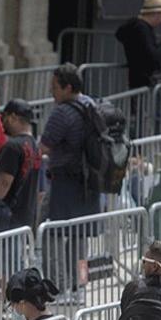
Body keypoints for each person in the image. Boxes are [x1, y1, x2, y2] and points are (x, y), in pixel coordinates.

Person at [40, 64, 100, 303]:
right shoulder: (91, 105)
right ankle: (78, 287)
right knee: (79, 235)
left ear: (67, 87)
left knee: (51, 234)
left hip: (65, 181)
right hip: (89, 181)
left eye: (55, 88)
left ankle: (57, 288)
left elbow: (44, 145)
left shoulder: (62, 113)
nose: (52, 93)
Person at [0, 99, 42, 231]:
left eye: (4, 117)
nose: (2, 123)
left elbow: (4, 182)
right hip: (25, 218)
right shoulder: (35, 147)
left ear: (13, 117)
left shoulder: (12, 147)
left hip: (5, 219)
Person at [114, 0, 161, 89]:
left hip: (136, 76)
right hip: (146, 78)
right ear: (155, 14)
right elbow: (152, 56)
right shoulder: (143, 30)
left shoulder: (134, 27)